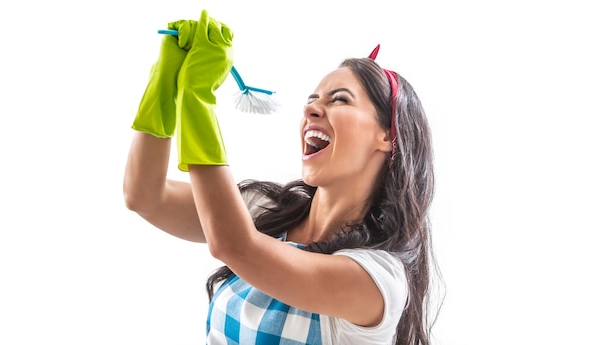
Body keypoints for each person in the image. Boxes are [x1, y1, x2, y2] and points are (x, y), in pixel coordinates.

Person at [124, 9, 440, 345]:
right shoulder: (267, 213)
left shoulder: (377, 280)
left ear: (389, 136)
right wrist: (164, 80)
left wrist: (199, 100)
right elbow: (145, 196)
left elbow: (236, 247)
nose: (311, 110)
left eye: (340, 100)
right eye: (312, 100)